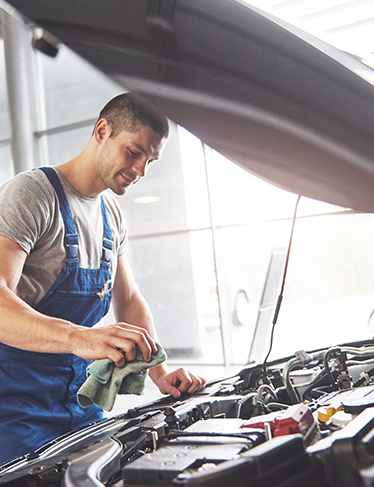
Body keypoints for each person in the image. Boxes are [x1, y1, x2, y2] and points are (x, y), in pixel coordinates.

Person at [0, 93, 206, 464]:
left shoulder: (112, 213)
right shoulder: (32, 195)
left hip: (80, 401)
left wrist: (158, 372)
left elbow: (127, 301)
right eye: (134, 152)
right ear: (102, 130)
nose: (141, 169)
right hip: (13, 407)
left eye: (150, 160)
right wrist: (78, 337)